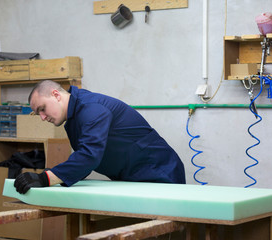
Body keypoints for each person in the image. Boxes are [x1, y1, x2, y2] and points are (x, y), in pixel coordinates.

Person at [14, 80, 186, 194]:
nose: (43, 117)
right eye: (38, 114)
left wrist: (46, 178)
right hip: (134, 179)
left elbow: (90, 156)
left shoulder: (91, 109)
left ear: (56, 95)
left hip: (160, 173)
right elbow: (84, 159)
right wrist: (53, 176)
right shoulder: (74, 119)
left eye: (42, 109)